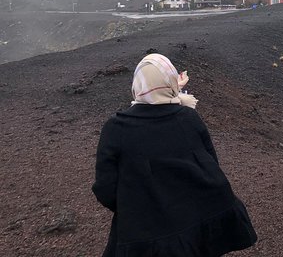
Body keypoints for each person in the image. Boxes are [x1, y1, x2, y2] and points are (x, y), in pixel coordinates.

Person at [92, 53, 257, 257]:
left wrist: (133, 204)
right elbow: (211, 163)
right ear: (169, 82)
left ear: (137, 84)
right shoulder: (188, 118)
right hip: (198, 226)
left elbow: (105, 188)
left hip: (147, 235)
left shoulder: (116, 129)